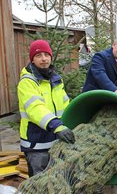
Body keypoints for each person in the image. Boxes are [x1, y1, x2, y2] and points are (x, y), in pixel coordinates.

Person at [17, 39, 75, 177]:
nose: (43, 59)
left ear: (51, 56)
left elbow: (66, 104)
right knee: (40, 183)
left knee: (56, 181)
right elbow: (35, 108)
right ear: (32, 60)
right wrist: (57, 126)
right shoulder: (27, 82)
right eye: (38, 56)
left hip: (55, 141)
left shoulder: (55, 80)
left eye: (46, 55)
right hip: (36, 144)